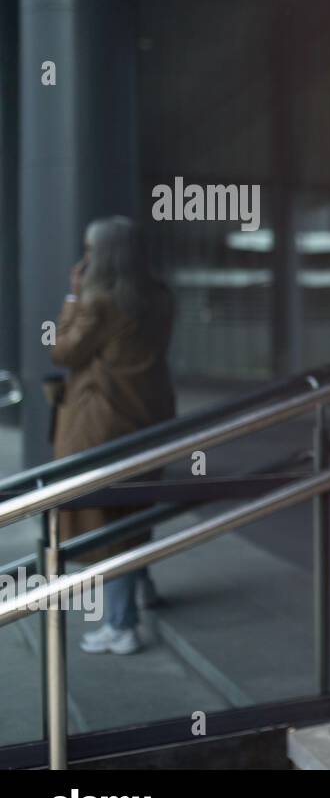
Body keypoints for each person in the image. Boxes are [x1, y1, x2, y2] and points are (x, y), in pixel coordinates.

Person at [49, 215, 177, 656]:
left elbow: (63, 351)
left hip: (102, 423)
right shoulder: (160, 297)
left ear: (100, 254)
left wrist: (72, 294)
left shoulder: (99, 301)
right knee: (135, 506)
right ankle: (143, 589)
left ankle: (122, 625)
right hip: (152, 416)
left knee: (110, 524)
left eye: (89, 248)